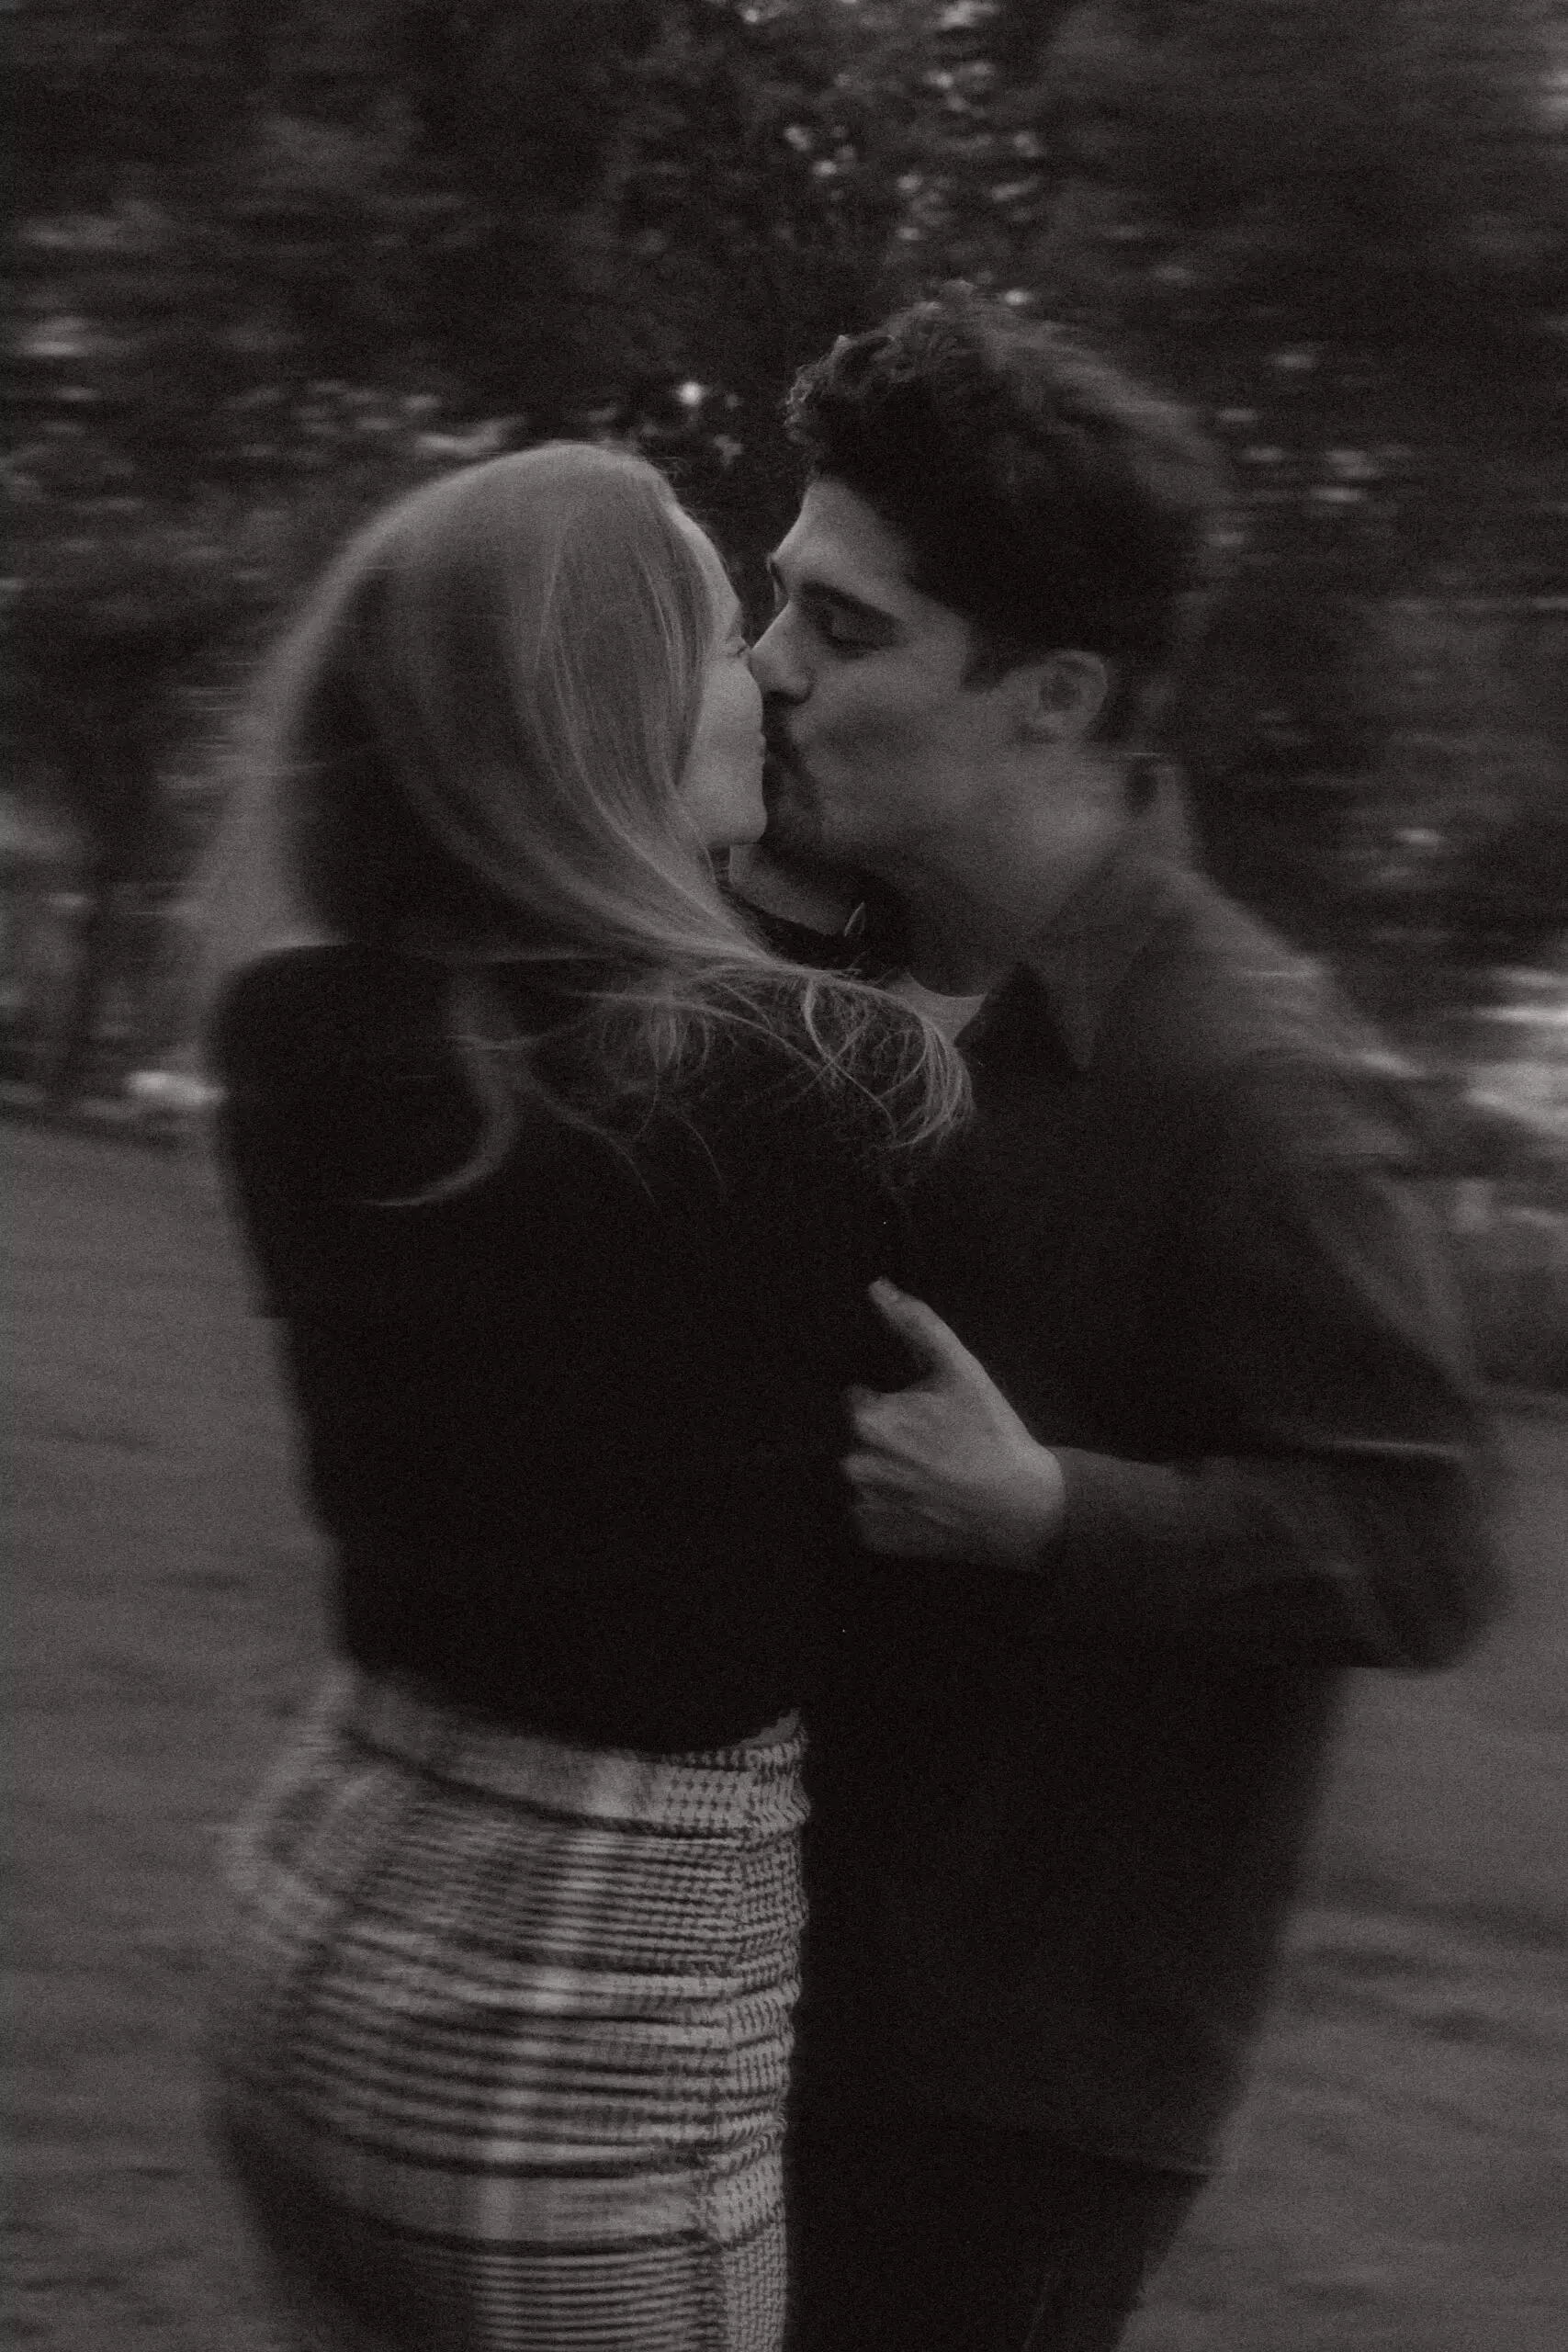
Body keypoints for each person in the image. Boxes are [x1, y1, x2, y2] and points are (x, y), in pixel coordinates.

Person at [732, 294, 1504, 2350]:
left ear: (1050, 696)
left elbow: (1425, 1546)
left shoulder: (1259, 1089)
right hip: (764, 1984)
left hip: (1004, 2098)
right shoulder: (860, 984)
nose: (768, 668)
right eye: (777, 603)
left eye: (843, 627)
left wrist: (1051, 1507)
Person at [195, 442, 971, 2352]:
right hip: (585, 2015)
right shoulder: (826, 1073)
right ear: (609, 707)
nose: (769, 681)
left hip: (319, 1911)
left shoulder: (296, 1030)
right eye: (720, 643)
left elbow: (603, 1039)